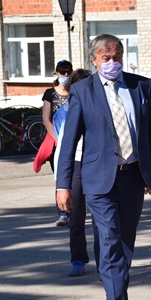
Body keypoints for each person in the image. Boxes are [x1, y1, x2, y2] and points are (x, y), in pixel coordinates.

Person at [56, 34, 151, 300]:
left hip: (133, 176)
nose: (112, 63)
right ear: (94, 60)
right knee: (109, 239)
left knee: (125, 241)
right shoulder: (83, 90)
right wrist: (63, 184)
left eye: (117, 57)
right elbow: (69, 141)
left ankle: (116, 288)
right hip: (98, 179)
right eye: (106, 58)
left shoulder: (140, 85)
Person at [53, 68, 98, 277]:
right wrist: (60, 181)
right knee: (76, 216)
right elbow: (62, 145)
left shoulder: (100, 107)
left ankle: (104, 263)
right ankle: (78, 259)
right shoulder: (64, 112)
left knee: (101, 219)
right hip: (76, 165)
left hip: (97, 165)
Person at [42, 59, 73, 227]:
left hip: (77, 142)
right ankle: (63, 213)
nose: (66, 75)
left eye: (68, 71)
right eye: (62, 71)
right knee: (61, 177)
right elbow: (46, 120)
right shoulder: (50, 93)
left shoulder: (76, 90)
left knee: (76, 178)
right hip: (57, 143)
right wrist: (58, 139)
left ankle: (74, 210)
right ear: (57, 73)